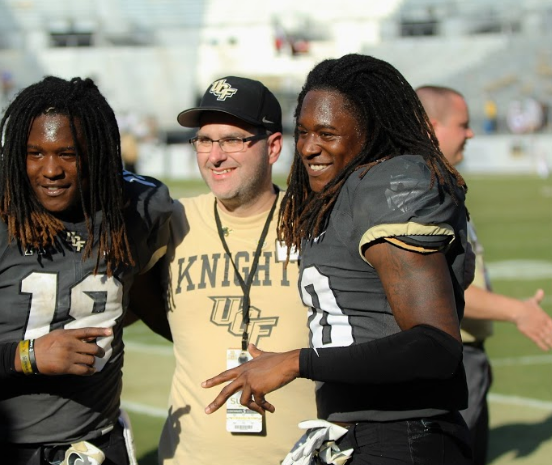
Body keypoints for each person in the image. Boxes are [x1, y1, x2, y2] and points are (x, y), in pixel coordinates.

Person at [201, 54, 473, 465]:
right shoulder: (339, 196)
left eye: (327, 133)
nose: (310, 147)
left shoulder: (387, 186)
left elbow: (436, 345)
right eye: (304, 132)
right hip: (363, 435)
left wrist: (297, 362)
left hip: (404, 435)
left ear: (370, 132)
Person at [0, 76, 173, 465]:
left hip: (95, 446)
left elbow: (153, 308)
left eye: (68, 153)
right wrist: (28, 356)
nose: (51, 170)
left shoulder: (130, 209)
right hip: (1, 449)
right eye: (34, 153)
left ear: (97, 153)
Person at [132, 76, 316, 464]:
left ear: (274, 147)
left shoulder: (317, 223)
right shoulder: (173, 221)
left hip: (302, 456)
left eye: (232, 140)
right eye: (204, 140)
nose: (215, 156)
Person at [416, 85, 552, 465]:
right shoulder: (420, 192)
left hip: (461, 354)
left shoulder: (438, 184)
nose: (471, 133)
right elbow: (439, 286)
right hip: (450, 357)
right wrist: (518, 311)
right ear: (431, 126)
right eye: (464, 124)